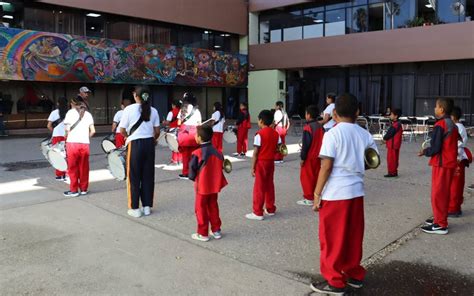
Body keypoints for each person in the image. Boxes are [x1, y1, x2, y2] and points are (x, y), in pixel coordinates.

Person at [310, 93, 378, 295]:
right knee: (353, 236)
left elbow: (326, 166)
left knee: (331, 239)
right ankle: (354, 274)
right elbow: (372, 162)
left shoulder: (332, 134)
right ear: (357, 112)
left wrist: (316, 194)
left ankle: (334, 282)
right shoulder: (365, 134)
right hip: (356, 193)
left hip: (335, 194)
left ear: (335, 114)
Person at [418, 98, 459, 235]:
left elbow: (435, 148)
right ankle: (439, 217)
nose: (434, 109)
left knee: (438, 194)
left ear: (441, 109)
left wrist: (425, 151)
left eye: (436, 106)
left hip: (442, 164)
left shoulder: (441, 125)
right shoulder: (452, 124)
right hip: (449, 163)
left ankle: (441, 224)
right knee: (443, 193)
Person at [119, 86, 160, 218]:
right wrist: (153, 139)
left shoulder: (129, 109)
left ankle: (135, 208)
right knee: (148, 175)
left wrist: (127, 137)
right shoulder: (153, 110)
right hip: (149, 143)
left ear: (135, 95)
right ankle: (147, 206)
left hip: (135, 143)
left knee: (134, 176)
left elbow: (122, 129)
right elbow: (157, 131)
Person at [188, 125, 228, 242]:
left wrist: (192, 178)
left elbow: (192, 169)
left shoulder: (197, 153)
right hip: (214, 185)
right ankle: (216, 230)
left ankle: (203, 233)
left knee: (200, 209)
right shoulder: (218, 152)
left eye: (196, 134)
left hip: (202, 186)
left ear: (199, 138)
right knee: (213, 206)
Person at [246, 110, 281, 221]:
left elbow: (255, 153)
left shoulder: (259, 134)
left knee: (259, 187)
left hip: (261, 162)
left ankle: (258, 212)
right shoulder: (276, 133)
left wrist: (253, 167)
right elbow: (279, 148)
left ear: (261, 121)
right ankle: (270, 208)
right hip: (271, 162)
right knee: (269, 185)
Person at [63, 97, 95, 197]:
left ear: (73, 103)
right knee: (84, 167)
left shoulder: (70, 113)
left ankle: (74, 190)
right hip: (85, 144)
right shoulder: (88, 114)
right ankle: (84, 189)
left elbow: (67, 130)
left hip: (72, 143)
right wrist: (86, 137)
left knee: (72, 167)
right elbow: (93, 131)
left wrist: (65, 137)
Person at [297, 105, 324, 206]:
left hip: (310, 156)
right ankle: (316, 194)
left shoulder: (308, 128)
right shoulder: (320, 126)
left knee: (306, 177)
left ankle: (309, 198)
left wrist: (302, 158)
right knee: (316, 176)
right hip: (319, 155)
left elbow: (306, 145)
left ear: (308, 115)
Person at [448, 106, 468, 217]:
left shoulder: (458, 127)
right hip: (456, 157)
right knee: (456, 184)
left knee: (455, 185)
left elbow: (459, 143)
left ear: (453, 117)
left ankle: (453, 208)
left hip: (457, 158)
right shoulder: (458, 127)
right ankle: (455, 206)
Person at [177, 92, 202, 179]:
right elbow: (199, 124)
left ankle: (185, 173)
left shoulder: (182, 109)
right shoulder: (197, 111)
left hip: (184, 134)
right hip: (194, 134)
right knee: (194, 154)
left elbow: (179, 123)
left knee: (185, 155)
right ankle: (194, 173)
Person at [47, 97, 69, 181]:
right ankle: (67, 174)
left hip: (56, 136)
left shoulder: (54, 112)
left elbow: (49, 125)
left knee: (57, 155)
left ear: (58, 103)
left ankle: (59, 175)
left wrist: (54, 131)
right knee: (67, 155)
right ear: (67, 104)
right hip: (67, 136)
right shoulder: (70, 113)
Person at [383, 108, 403, 178]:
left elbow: (390, 133)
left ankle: (392, 172)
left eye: (391, 114)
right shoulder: (397, 124)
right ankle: (393, 171)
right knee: (394, 159)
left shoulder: (396, 124)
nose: (390, 116)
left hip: (393, 145)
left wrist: (384, 138)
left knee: (391, 159)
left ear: (396, 116)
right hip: (394, 144)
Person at [163, 99, 182, 166]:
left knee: (173, 145)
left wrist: (164, 122)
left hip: (173, 130)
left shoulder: (171, 112)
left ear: (174, 105)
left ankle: (174, 160)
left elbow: (167, 122)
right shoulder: (182, 111)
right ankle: (180, 160)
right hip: (181, 130)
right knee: (179, 145)